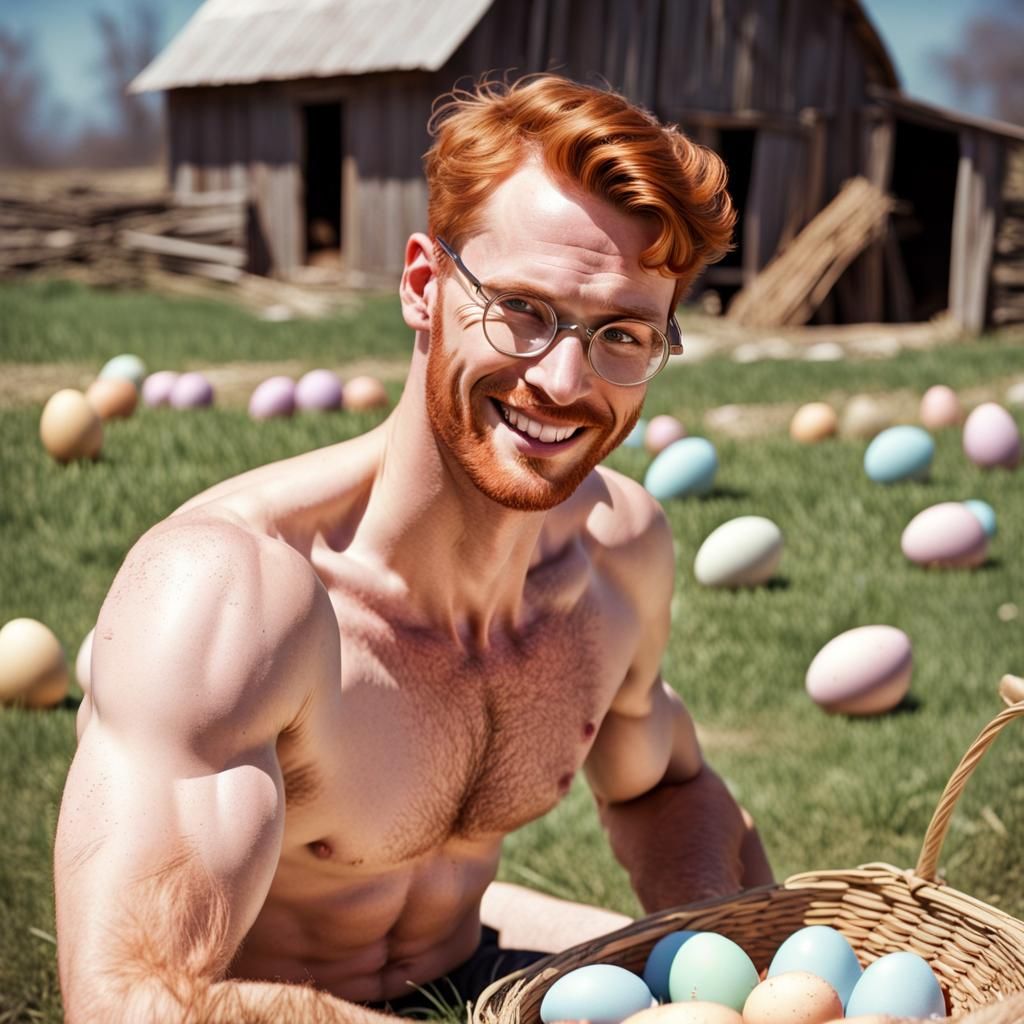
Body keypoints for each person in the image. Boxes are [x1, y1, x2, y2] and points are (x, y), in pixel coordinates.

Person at [54, 74, 774, 1023]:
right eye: (522, 309)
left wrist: (742, 975)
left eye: (622, 335)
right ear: (425, 288)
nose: (564, 380)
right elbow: (129, 1003)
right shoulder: (240, 597)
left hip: (474, 974)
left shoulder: (617, 554)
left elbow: (665, 786)